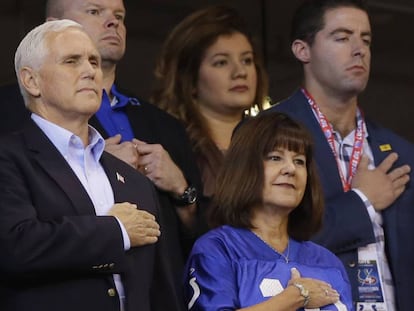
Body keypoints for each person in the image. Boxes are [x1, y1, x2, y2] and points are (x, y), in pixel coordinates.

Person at [0, 19, 181, 311]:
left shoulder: (132, 179)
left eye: (94, 62)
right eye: (72, 61)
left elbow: (159, 287)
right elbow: (14, 247)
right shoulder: (8, 158)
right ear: (31, 81)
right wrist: (116, 231)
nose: (90, 71)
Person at [267, 0, 414, 310]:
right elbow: (267, 242)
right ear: (302, 50)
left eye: (366, 39)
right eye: (343, 37)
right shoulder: (266, 132)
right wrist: (362, 200)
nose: (359, 49)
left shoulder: (399, 150)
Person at [184, 112, 353, 310]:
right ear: (244, 168)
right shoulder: (216, 250)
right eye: (275, 157)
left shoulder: (327, 262)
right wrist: (295, 296)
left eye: (299, 161)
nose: (290, 169)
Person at [151, 5, 268, 211]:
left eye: (247, 60)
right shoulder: (171, 147)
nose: (240, 72)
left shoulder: (271, 140)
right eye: (221, 63)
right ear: (191, 80)